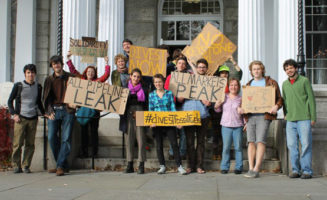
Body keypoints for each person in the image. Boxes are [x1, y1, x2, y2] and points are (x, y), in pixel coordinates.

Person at [241, 60, 283, 178]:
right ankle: (250, 168)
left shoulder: (270, 82)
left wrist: (276, 106)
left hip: (264, 116)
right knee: (250, 141)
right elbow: (245, 102)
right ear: (251, 71)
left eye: (258, 69)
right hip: (251, 117)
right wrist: (243, 113)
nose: (256, 71)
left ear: (262, 70)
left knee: (260, 141)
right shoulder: (249, 85)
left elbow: (280, 99)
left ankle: (257, 168)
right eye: (254, 69)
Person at [66, 51, 111, 157]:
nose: (90, 73)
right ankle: (84, 152)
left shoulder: (98, 82)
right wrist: (68, 60)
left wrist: (106, 64)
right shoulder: (81, 80)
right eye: (88, 71)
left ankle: (95, 152)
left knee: (94, 132)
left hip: (94, 111)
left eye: (92, 71)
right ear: (85, 73)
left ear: (94, 73)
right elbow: (73, 71)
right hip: (83, 111)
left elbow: (106, 75)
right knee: (84, 132)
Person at [282, 59, 316, 179]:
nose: (289, 70)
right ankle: (295, 170)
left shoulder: (304, 81)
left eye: (291, 68)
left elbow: (311, 99)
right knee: (292, 146)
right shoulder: (284, 84)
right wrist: (285, 113)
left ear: (296, 68)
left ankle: (307, 171)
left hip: (304, 118)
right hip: (290, 120)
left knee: (306, 144)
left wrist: (313, 117)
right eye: (286, 69)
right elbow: (284, 100)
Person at [8, 64, 45, 173]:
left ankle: (26, 165)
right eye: (28, 73)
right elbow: (10, 101)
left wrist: (44, 113)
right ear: (25, 74)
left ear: (35, 74)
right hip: (20, 118)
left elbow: (39, 102)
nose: (30, 75)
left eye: (32, 73)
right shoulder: (18, 86)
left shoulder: (38, 87)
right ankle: (16, 165)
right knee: (18, 143)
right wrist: (14, 114)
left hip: (33, 118)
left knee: (30, 143)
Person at [43, 55, 76, 176]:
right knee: (51, 137)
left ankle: (60, 166)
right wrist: (48, 111)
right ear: (52, 66)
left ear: (62, 64)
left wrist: (76, 104)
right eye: (54, 64)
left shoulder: (71, 77)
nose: (56, 65)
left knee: (66, 138)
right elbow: (45, 98)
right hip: (54, 111)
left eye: (58, 63)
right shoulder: (49, 80)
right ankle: (61, 165)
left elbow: (79, 94)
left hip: (68, 110)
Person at [149, 74, 187, 175]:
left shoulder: (169, 93)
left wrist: (177, 121)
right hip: (157, 124)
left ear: (163, 82)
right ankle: (162, 166)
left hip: (169, 122)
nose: (158, 84)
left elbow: (173, 108)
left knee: (174, 144)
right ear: (154, 83)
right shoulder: (151, 95)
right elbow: (151, 110)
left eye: (159, 82)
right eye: (156, 82)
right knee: (159, 145)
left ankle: (179, 166)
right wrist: (151, 122)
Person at [182, 58, 211, 174]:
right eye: (199, 67)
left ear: (207, 69)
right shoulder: (189, 79)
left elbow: (214, 98)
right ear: (196, 69)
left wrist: (210, 102)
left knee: (200, 142)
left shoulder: (210, 81)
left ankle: (199, 166)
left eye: (203, 67)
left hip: (203, 114)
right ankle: (190, 166)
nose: (201, 69)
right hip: (188, 113)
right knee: (189, 141)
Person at [214, 78, 244, 174]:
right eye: (231, 85)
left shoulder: (241, 99)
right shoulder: (224, 97)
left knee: (238, 147)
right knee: (226, 147)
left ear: (238, 87)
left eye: (235, 85)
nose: (233, 87)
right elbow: (218, 110)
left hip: (238, 125)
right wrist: (216, 105)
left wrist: (245, 122)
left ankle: (239, 167)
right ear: (228, 86)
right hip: (226, 125)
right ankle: (224, 167)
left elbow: (244, 113)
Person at [164, 57, 189, 161]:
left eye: (183, 63)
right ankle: (172, 152)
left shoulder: (189, 77)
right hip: (173, 106)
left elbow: (193, 90)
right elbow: (166, 90)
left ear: (185, 66)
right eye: (180, 63)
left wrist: (184, 97)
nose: (181, 65)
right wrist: (174, 98)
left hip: (185, 106)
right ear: (176, 65)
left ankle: (182, 152)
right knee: (172, 130)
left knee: (184, 131)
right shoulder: (170, 77)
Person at [124, 68, 147, 174]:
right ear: (130, 76)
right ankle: (129, 164)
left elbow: (146, 104)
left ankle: (141, 164)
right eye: (134, 76)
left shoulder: (144, 88)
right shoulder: (124, 87)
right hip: (128, 114)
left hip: (140, 113)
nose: (136, 78)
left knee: (141, 140)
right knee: (129, 140)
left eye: (138, 77)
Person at [112, 54, 130, 135]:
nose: (120, 63)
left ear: (125, 62)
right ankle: (125, 134)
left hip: (130, 97)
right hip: (121, 97)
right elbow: (114, 85)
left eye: (122, 61)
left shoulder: (130, 71)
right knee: (123, 117)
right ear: (116, 63)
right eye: (119, 61)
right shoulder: (114, 73)